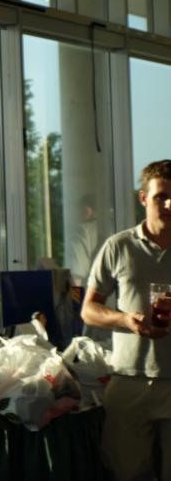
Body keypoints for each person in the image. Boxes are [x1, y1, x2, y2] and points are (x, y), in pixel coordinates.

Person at [81, 159, 171, 481]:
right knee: (128, 473)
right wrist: (125, 320)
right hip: (129, 380)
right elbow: (88, 309)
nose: (169, 205)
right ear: (143, 198)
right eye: (161, 197)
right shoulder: (118, 247)